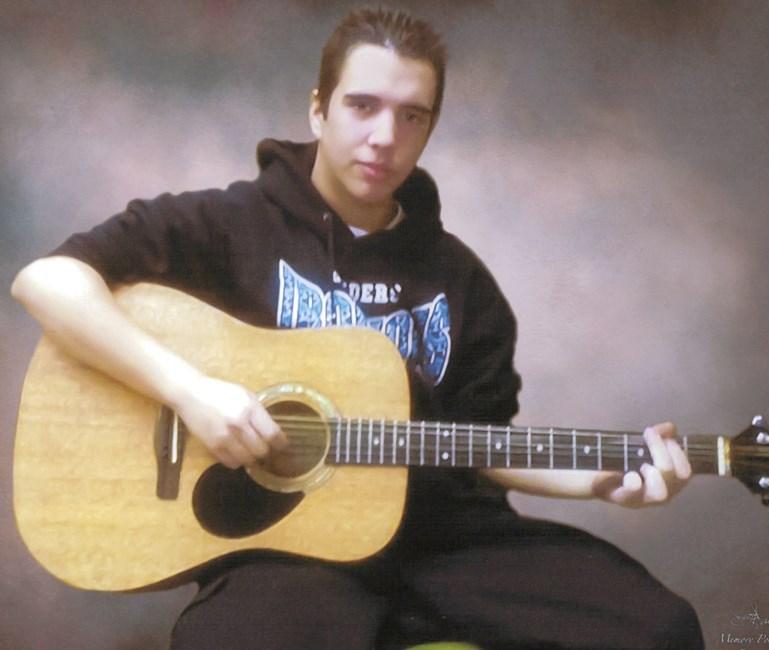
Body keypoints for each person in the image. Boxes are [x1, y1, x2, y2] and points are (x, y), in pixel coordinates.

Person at [12, 7, 704, 649]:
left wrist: (595, 482)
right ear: (319, 109)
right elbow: (46, 282)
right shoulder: (226, 226)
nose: (384, 137)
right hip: (289, 553)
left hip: (444, 542)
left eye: (412, 116)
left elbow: (478, 444)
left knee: (657, 628)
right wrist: (189, 391)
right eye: (362, 105)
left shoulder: (463, 281)